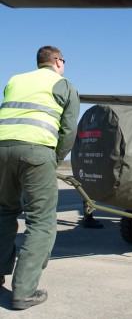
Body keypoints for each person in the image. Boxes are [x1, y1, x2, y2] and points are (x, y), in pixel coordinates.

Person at [0, 46, 80, 309]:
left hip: (2, 149)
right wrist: (55, 159)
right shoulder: (63, 84)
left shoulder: (15, 80)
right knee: (41, 221)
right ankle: (23, 291)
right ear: (57, 61)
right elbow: (68, 131)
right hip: (37, 151)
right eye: (63, 61)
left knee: (3, 212)